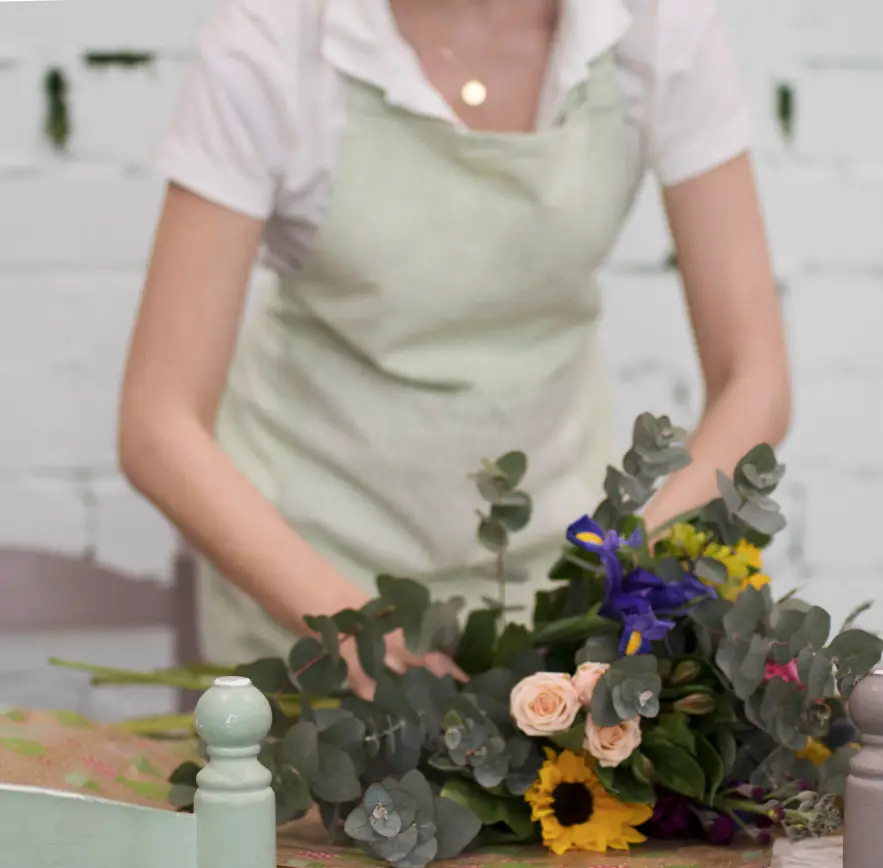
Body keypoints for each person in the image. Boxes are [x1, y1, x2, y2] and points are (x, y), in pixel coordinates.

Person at [119, 0, 790, 696]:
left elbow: (755, 379)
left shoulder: (657, 29)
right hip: (306, 586)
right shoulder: (273, 41)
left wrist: (624, 576)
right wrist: (349, 627)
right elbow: (157, 426)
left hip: (558, 585)